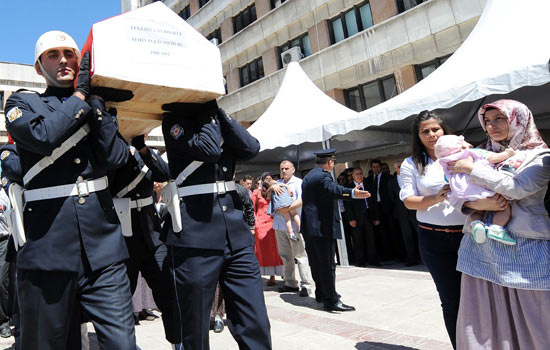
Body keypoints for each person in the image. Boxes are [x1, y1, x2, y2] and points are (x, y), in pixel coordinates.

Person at [3, 30, 135, 349]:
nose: (63, 60)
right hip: (48, 250)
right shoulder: (23, 102)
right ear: (38, 67)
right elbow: (43, 136)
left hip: (104, 250)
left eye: (70, 53)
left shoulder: (93, 106)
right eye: (53, 54)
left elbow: (116, 158)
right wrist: (80, 99)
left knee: (122, 344)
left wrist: (98, 105)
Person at [161, 100, 271, 350]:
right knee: (196, 325)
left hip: (235, 234)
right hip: (195, 234)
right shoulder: (174, 121)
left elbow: (252, 147)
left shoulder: (217, 118)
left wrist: (219, 111)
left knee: (255, 320)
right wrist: (209, 114)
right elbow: (209, 150)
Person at [448, 99, 550, 349]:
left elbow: (517, 188)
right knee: (484, 319)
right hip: (483, 248)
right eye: (488, 121)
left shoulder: (539, 156)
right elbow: (455, 193)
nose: (492, 126)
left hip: (524, 247)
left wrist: (472, 170)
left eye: (500, 119)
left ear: (518, 120)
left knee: (536, 318)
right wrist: (476, 206)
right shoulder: (477, 152)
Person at [399, 110, 467, 349]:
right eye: (424, 131)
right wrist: (436, 198)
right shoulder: (412, 164)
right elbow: (408, 200)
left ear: (444, 130)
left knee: (481, 296)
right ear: (417, 136)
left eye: (435, 129)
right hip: (433, 238)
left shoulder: (463, 154)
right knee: (451, 300)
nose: (431, 135)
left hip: (469, 236)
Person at [109, 135, 179, 346]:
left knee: (168, 290)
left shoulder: (145, 151)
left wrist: (142, 148)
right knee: (121, 299)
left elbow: (164, 173)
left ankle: (178, 340)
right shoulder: (111, 147)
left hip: (152, 235)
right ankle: (126, 344)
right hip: (124, 237)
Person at [301, 149, 371, 312]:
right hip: (322, 228)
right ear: (330, 162)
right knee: (327, 264)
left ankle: (321, 293)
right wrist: (352, 192)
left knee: (317, 263)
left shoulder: (309, 175)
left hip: (311, 227)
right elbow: (333, 189)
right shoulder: (323, 176)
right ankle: (331, 300)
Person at [435, 134, 516, 245]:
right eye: (465, 143)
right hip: (480, 186)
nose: (469, 144)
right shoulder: (473, 152)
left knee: (476, 211)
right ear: (462, 147)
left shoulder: (446, 163)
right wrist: (508, 153)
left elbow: (446, 179)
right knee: (504, 207)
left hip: (462, 193)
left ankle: (476, 224)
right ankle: (496, 228)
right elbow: (493, 158)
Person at [264, 160, 313, 297]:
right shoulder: (278, 182)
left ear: (293, 169)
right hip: (279, 225)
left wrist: (286, 209)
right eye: (281, 169)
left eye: (286, 168)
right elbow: (267, 196)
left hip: (294, 225)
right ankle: (290, 282)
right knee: (285, 255)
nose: (284, 171)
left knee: (300, 255)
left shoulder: (298, 183)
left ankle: (306, 284)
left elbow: (302, 200)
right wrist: (271, 188)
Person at [366, 159, 403, 261]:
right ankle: (387, 255)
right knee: (382, 233)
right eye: (374, 167)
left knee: (393, 231)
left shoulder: (388, 178)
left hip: (388, 207)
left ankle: (399, 254)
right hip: (377, 208)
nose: (376, 169)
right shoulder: (369, 179)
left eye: (377, 167)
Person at [251, 173, 284, 286]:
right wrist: (254, 223)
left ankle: (282, 272)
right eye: (266, 179)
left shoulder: (276, 190)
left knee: (278, 248)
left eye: (270, 179)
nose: (268, 180)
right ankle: (271, 275)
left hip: (274, 221)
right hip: (261, 223)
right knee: (265, 250)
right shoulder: (256, 192)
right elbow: (252, 208)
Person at [343, 167, 378, 267]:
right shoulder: (348, 187)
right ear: (353, 176)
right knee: (358, 240)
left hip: (368, 215)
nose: (360, 176)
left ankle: (373, 260)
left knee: (371, 238)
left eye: (361, 173)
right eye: (357, 174)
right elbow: (347, 205)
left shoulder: (368, 185)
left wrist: (376, 216)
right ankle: (360, 261)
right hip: (356, 217)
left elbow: (374, 202)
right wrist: (351, 218)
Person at [389, 161, 419, 266]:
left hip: (414, 210)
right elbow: (391, 198)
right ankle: (411, 258)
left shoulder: (411, 178)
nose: (402, 168)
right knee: (407, 237)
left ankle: (424, 257)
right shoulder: (392, 181)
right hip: (402, 213)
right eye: (400, 167)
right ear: (396, 169)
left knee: (420, 234)